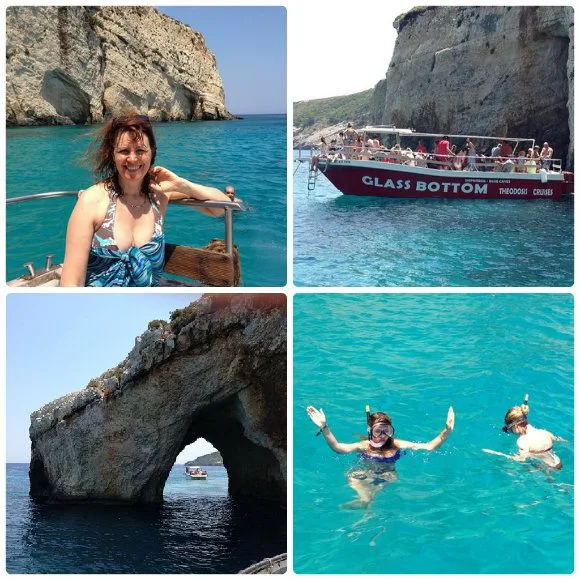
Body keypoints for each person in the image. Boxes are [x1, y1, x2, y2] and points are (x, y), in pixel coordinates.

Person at [60, 112, 232, 287]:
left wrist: (183, 185)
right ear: (113, 155)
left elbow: (221, 208)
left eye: (141, 150)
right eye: (124, 151)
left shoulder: (157, 197)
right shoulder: (92, 201)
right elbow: (71, 282)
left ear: (152, 153)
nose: (133, 158)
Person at [306, 404, 455, 509]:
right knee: (355, 477)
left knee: (374, 492)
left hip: (387, 475)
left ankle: (366, 506)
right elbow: (338, 448)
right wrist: (324, 427)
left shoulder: (396, 444)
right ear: (370, 431)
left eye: (386, 431)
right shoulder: (364, 445)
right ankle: (365, 505)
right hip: (364, 472)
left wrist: (446, 431)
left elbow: (429, 446)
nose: (382, 436)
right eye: (378, 431)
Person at [482, 395, 565, 469]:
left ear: (516, 426)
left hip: (546, 468)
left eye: (510, 429)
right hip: (558, 462)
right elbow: (559, 440)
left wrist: (501, 455)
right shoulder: (544, 432)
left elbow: (522, 459)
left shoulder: (522, 441)